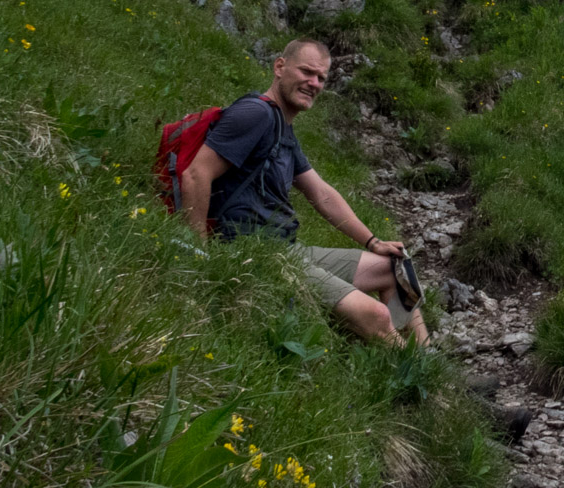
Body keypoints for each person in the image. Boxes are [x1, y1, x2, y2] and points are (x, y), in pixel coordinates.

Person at [180, 38, 428, 345]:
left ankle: (425, 362)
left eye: (321, 78)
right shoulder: (255, 114)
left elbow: (320, 192)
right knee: (375, 314)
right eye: (307, 72)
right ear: (280, 67)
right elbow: (195, 174)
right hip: (252, 254)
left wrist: (372, 241)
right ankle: (418, 385)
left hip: (287, 250)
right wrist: (199, 254)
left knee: (396, 269)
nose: (314, 83)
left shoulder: (282, 128)